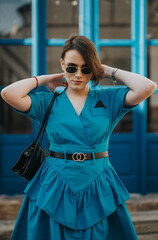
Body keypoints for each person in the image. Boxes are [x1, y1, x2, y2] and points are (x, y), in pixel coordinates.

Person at [1, 35, 156, 240]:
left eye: (86, 68)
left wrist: (107, 70)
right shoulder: (48, 101)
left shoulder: (108, 98)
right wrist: (46, 79)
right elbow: (8, 93)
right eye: (72, 67)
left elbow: (147, 87)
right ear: (63, 65)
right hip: (54, 182)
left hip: (98, 180)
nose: (79, 75)